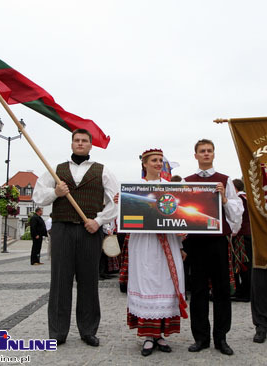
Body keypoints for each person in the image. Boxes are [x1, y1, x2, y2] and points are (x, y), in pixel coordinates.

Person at [33, 128, 118, 347]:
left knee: (89, 281)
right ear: (72, 144)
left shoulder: (102, 171)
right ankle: (58, 331)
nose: (80, 143)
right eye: (76, 140)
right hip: (62, 229)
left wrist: (99, 221)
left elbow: (117, 201)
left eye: (84, 141)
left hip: (90, 230)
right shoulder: (56, 171)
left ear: (91, 145)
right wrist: (56, 193)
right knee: (60, 281)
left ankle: (88, 330)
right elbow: (38, 197)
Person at [124, 149, 188, 356]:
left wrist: (180, 240)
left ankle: (160, 334)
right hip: (145, 243)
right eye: (154, 160)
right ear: (145, 164)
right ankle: (147, 336)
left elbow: (179, 215)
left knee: (165, 283)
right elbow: (127, 220)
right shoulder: (134, 188)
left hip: (168, 242)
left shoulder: (171, 188)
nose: (159, 163)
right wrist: (121, 204)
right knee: (146, 282)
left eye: (161, 160)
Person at [183, 139, 243, 356]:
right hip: (197, 241)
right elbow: (182, 211)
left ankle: (221, 337)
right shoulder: (188, 181)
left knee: (222, 290)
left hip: (217, 240)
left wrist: (225, 199)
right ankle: (200, 337)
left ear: (214, 154)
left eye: (209, 151)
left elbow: (237, 212)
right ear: (196, 155)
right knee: (198, 290)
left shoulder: (224, 180)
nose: (206, 154)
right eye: (202, 151)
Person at [231, 178, 252, 302]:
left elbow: (237, 217)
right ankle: (245, 291)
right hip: (248, 234)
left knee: (242, 264)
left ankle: (245, 293)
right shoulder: (246, 198)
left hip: (241, 235)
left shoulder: (239, 199)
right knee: (245, 264)